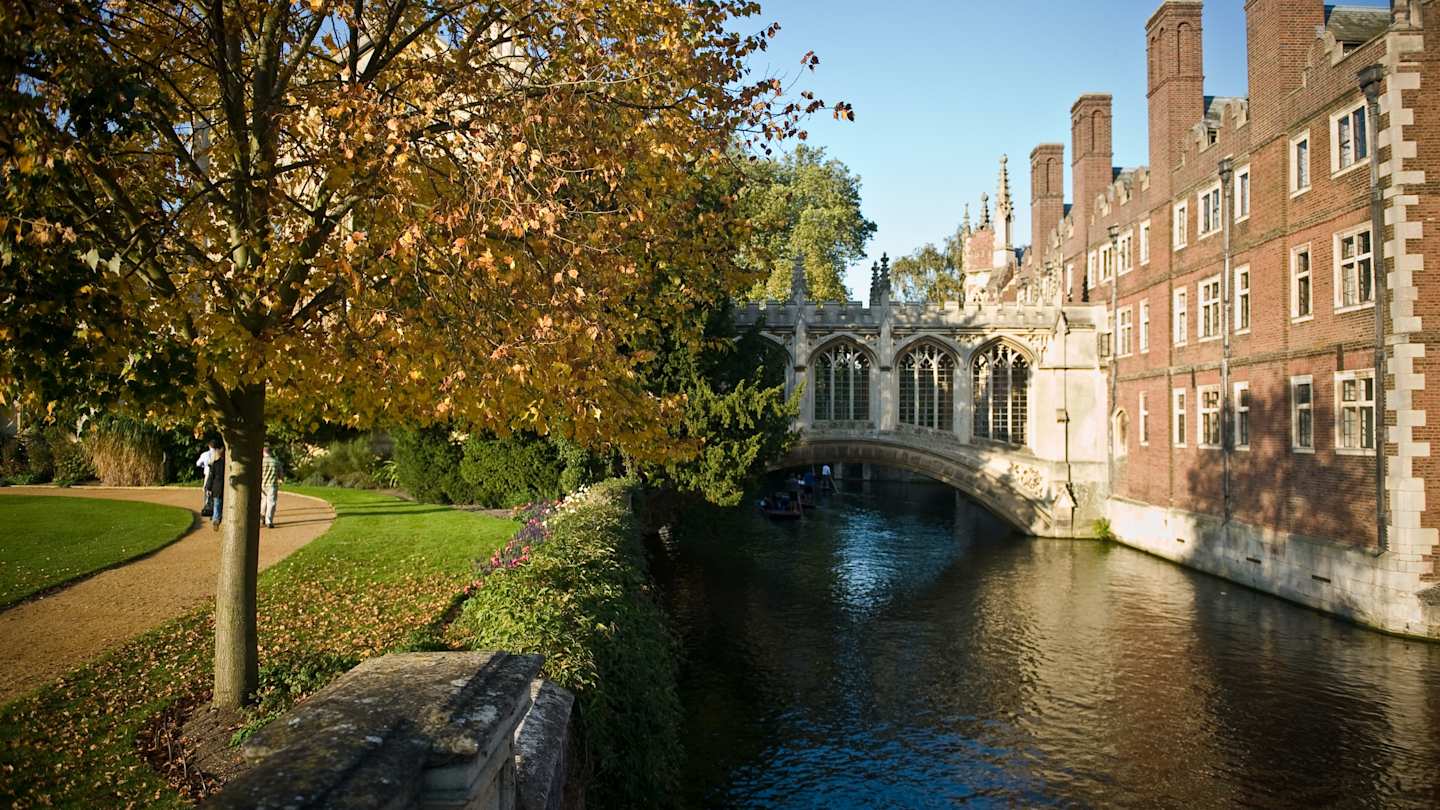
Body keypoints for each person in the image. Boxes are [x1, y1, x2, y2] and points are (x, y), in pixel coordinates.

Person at [260, 445, 285, 529]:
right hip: (272, 485)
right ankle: (269, 521)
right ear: (270, 452)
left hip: (262, 484)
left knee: (263, 500)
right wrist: (281, 479)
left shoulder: (261, 462)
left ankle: (262, 515)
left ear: (264, 452)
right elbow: (281, 475)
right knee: (271, 502)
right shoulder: (276, 462)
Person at [203, 443, 225, 530]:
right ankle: (217, 517)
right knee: (219, 502)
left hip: (216, 486)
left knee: (216, 503)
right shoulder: (224, 464)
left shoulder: (214, 464)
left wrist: (208, 487)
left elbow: (211, 477)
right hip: (221, 485)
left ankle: (216, 518)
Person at [196, 439, 219, 509]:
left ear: (209, 446)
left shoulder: (205, 454)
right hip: (217, 476)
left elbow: (198, 464)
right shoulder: (218, 454)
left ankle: (207, 508)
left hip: (208, 473)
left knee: (207, 491)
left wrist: (204, 466)